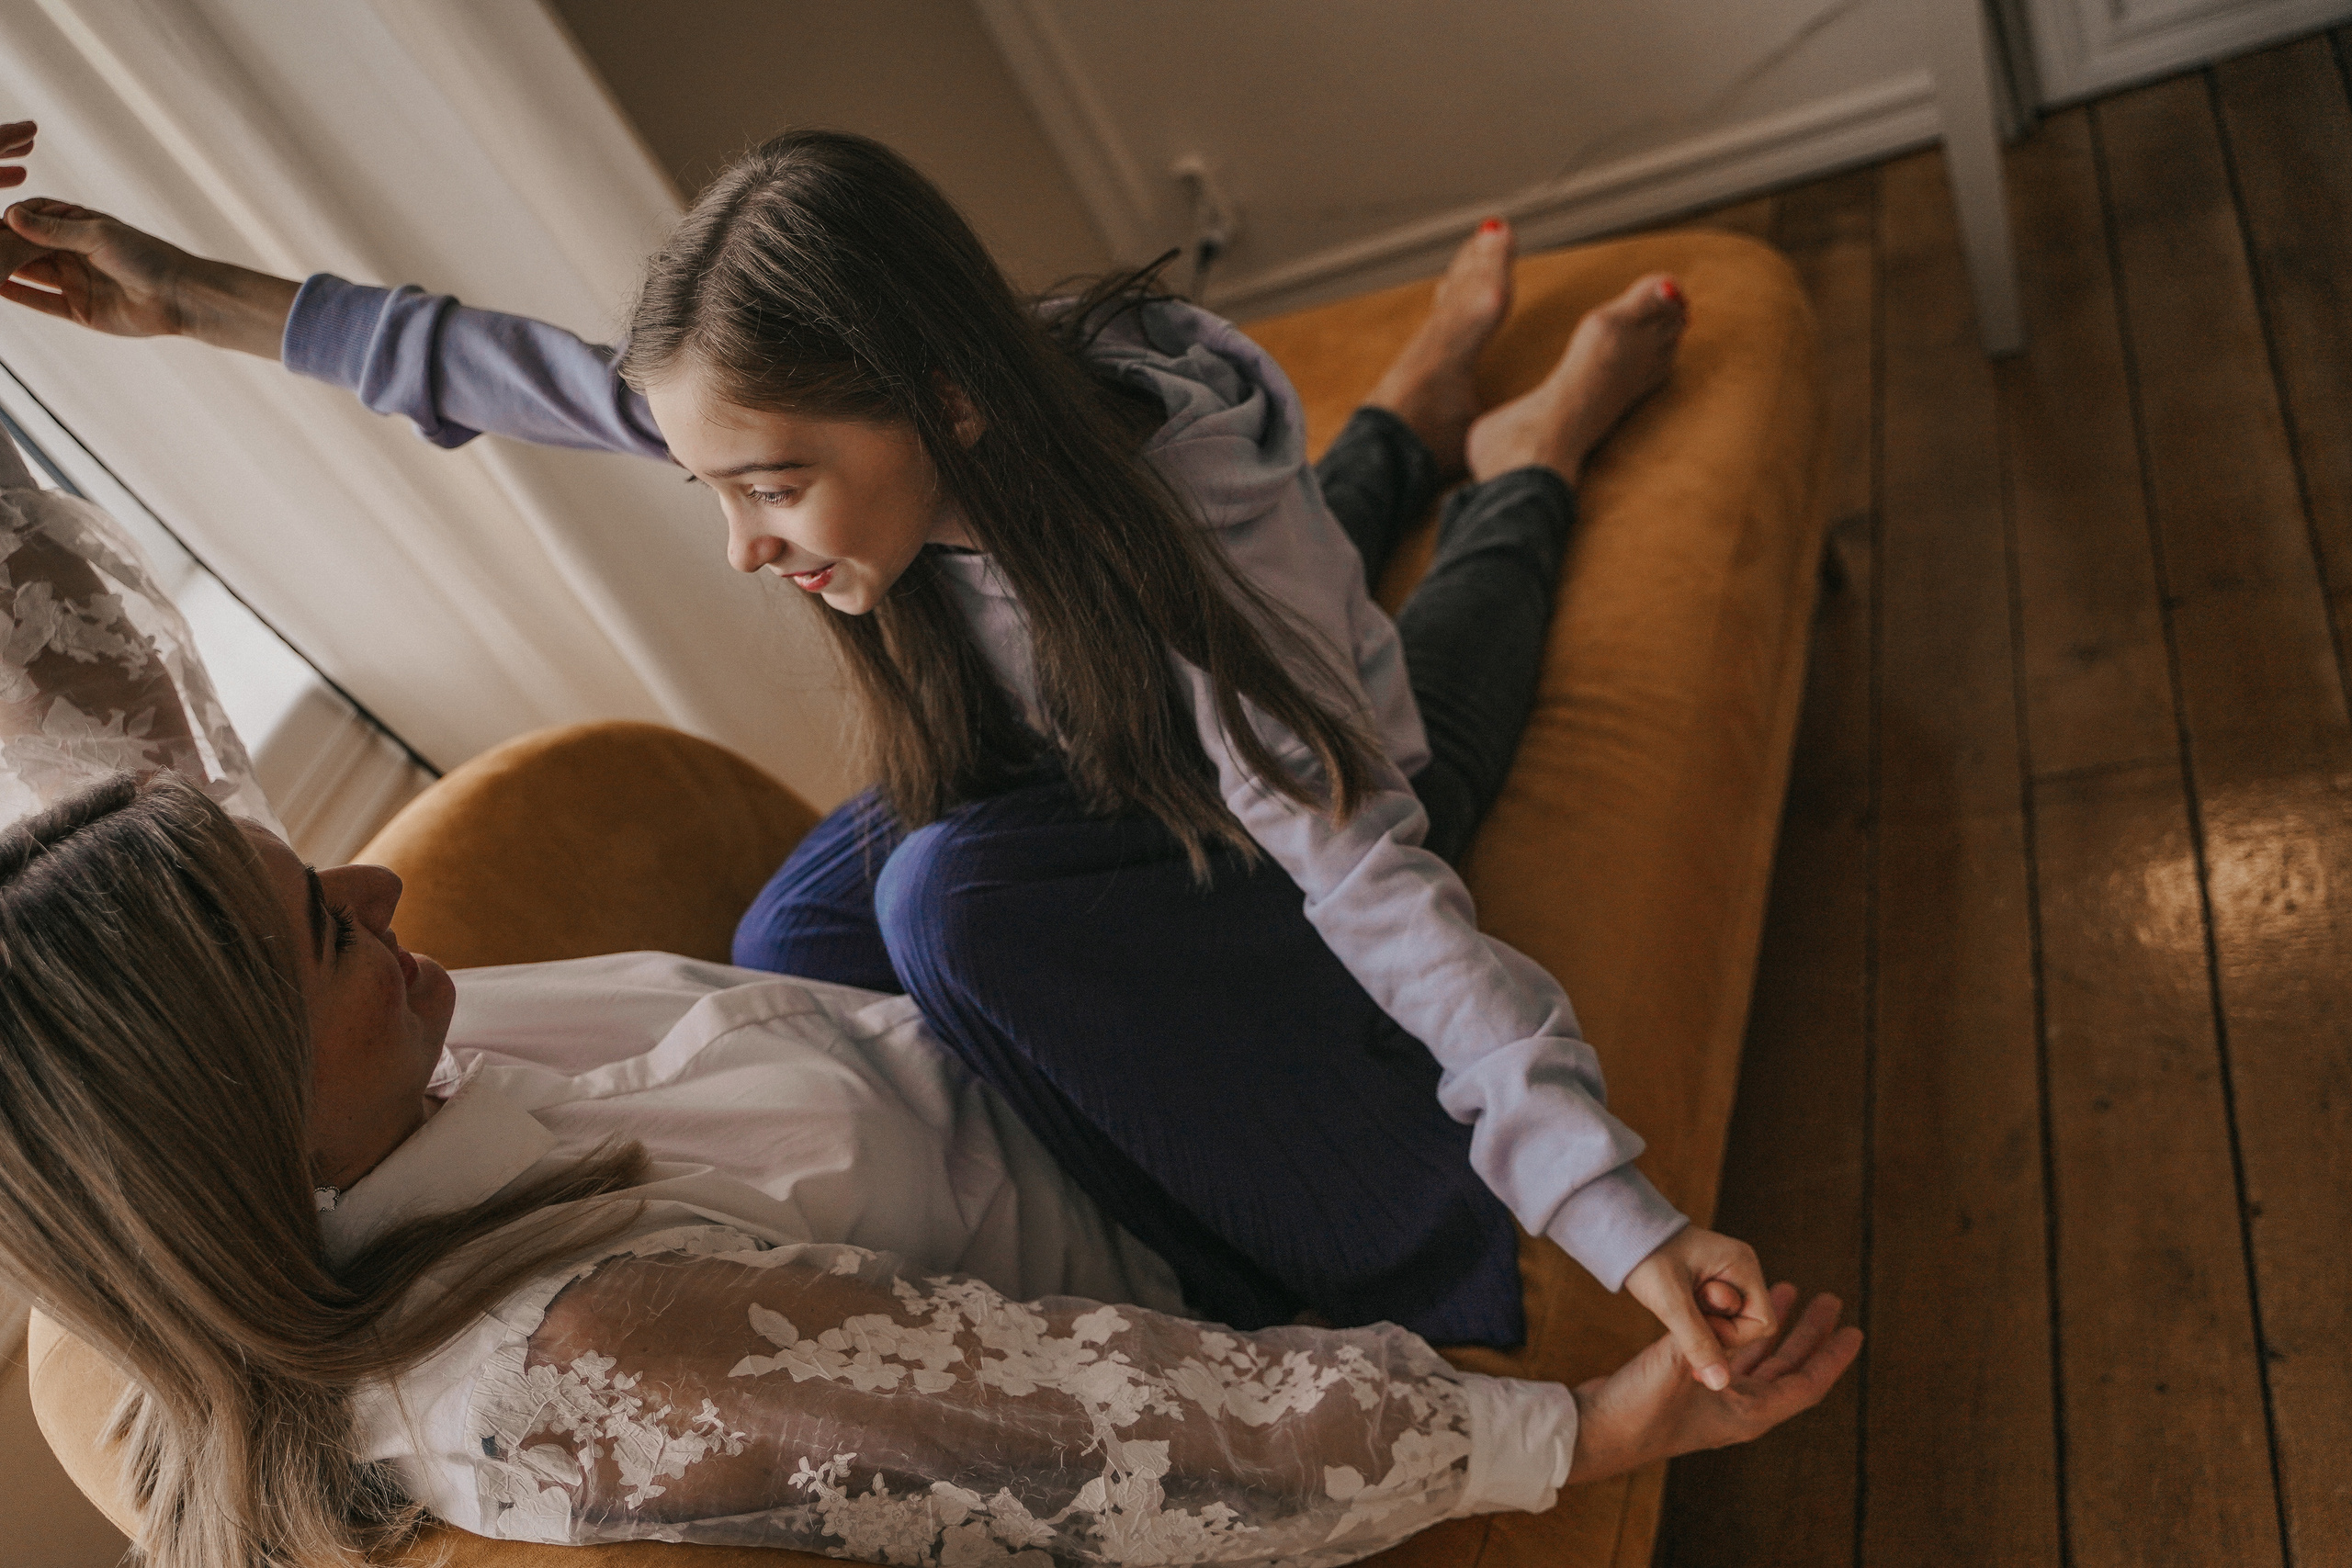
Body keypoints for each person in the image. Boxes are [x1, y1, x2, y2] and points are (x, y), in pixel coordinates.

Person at [4, 124, 1757, 1382]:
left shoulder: (1180, 564)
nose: (748, 546)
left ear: (949, 402)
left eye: (770, 490)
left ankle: (1523, 441)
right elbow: (510, 367)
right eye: (718, 486)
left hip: (1299, 763)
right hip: (1099, 746)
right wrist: (201, 298)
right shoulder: (851, 425)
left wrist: (1612, 1213)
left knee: (1373, 647)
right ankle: (1411, 410)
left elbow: (1376, 876)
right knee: (807, 931)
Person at [0, 431, 1861, 1568]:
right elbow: (1092, 1432)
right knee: (1041, 852)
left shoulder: (315, 1167)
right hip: (1106, 1191)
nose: (382, 883)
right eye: (330, 933)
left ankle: (1312, 484)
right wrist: (1570, 1432)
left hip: (841, 1071)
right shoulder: (585, 1360)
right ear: (236, 1118)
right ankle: (1490, 496)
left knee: (992, 739)